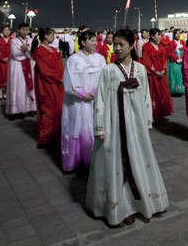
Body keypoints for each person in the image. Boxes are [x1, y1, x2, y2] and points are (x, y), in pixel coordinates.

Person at [86, 28, 169, 228]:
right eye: (115, 44)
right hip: (114, 124)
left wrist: (147, 121)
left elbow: (145, 96)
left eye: (122, 44)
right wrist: (100, 127)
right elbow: (101, 101)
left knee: (137, 159)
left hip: (135, 125)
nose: (117, 48)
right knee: (115, 163)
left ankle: (140, 202)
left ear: (132, 46)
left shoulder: (140, 69)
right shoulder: (107, 70)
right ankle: (119, 208)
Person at [61, 31, 106, 172]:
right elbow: (69, 80)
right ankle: (73, 162)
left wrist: (93, 91)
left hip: (94, 99)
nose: (95, 43)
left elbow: (102, 77)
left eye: (95, 40)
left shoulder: (100, 59)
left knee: (92, 127)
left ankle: (92, 161)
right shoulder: (73, 59)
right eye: (91, 40)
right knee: (75, 127)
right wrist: (81, 93)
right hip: (76, 102)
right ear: (82, 42)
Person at [31, 28, 64, 148]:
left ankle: (56, 135)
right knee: (49, 110)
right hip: (46, 84)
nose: (54, 37)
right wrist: (59, 77)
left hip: (57, 82)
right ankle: (45, 138)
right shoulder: (40, 51)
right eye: (52, 34)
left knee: (58, 108)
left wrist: (61, 76)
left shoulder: (53, 49)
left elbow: (60, 65)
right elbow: (45, 71)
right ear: (46, 36)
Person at [142, 29, 174, 125]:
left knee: (163, 93)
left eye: (160, 35)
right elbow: (146, 61)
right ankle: (152, 115)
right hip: (152, 76)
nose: (160, 37)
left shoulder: (161, 47)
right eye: (158, 35)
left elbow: (165, 60)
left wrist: (163, 69)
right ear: (152, 36)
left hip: (162, 75)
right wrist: (155, 71)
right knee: (153, 94)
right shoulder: (146, 47)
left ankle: (161, 113)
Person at [6, 23, 36, 120]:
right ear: (18, 30)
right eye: (23, 29)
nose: (25, 32)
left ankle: (24, 109)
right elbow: (15, 54)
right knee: (15, 86)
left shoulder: (30, 40)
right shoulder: (14, 41)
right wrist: (26, 51)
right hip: (17, 66)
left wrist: (25, 50)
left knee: (25, 87)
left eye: (27, 30)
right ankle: (14, 110)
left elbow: (33, 53)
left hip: (28, 65)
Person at [0, 25, 12, 100]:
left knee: (8, 77)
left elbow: (14, 51)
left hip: (9, 62)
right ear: (2, 31)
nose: (7, 32)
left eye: (8, 30)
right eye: (5, 30)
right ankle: (0, 94)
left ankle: (6, 93)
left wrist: (8, 58)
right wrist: (1, 58)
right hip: (0, 62)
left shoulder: (13, 40)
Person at [166, 29, 185, 96]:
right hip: (173, 62)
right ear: (174, 35)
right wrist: (176, 59)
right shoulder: (171, 43)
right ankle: (174, 91)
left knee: (181, 75)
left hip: (181, 62)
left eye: (179, 33)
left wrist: (182, 59)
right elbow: (170, 52)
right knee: (174, 75)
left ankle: (181, 90)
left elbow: (185, 51)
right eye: (176, 33)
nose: (178, 35)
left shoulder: (182, 42)